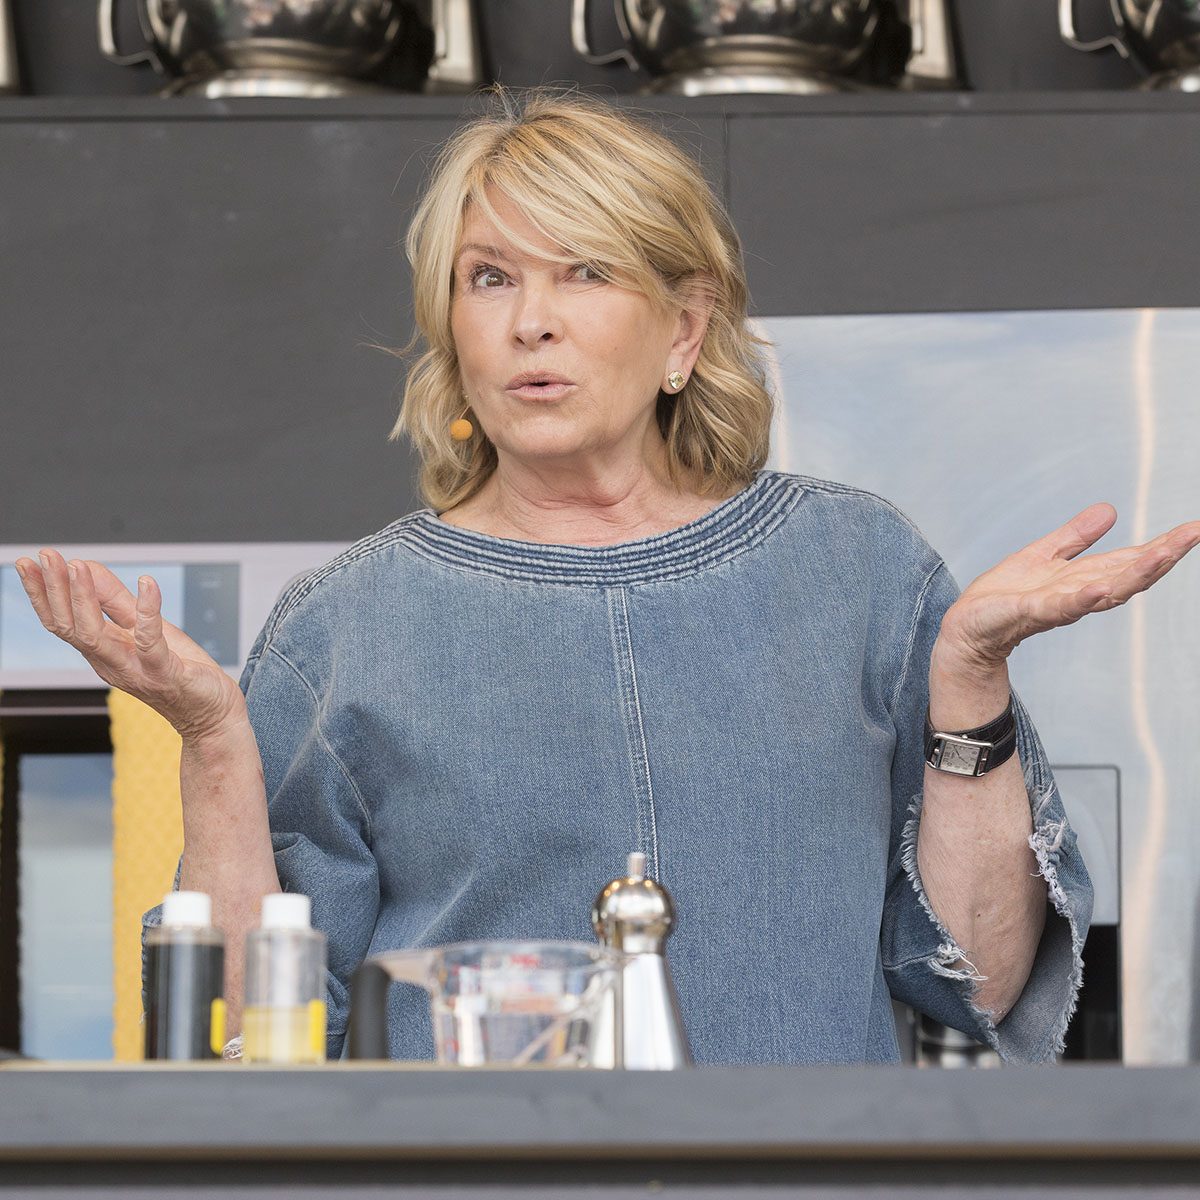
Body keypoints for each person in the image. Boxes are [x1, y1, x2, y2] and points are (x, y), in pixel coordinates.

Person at [16, 89, 1200, 1065]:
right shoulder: (348, 627)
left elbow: (981, 983)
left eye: (583, 272)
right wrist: (217, 739)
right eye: (489, 278)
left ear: (685, 331)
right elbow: (251, 1028)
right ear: (452, 332)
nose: (531, 321)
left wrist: (971, 679)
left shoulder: (859, 571)